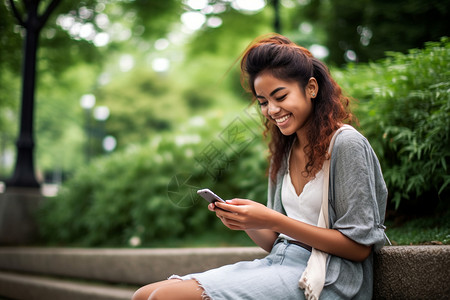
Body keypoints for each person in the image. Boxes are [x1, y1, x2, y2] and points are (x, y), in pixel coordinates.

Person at [133, 34, 388, 300]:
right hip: (280, 263)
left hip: (327, 274)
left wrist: (272, 219)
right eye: (263, 102)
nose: (272, 110)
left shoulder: (346, 144)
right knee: (143, 295)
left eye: (280, 96)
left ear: (311, 88)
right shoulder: (285, 150)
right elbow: (274, 242)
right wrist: (246, 221)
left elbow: (359, 248)